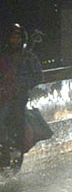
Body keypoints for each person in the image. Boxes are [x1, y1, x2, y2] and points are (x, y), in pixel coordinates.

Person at [0, 25, 44, 164]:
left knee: (14, 120)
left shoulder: (29, 57)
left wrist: (22, 85)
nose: (15, 40)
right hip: (2, 94)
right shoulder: (3, 56)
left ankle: (15, 147)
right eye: (13, 37)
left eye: (18, 37)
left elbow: (38, 76)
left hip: (17, 97)